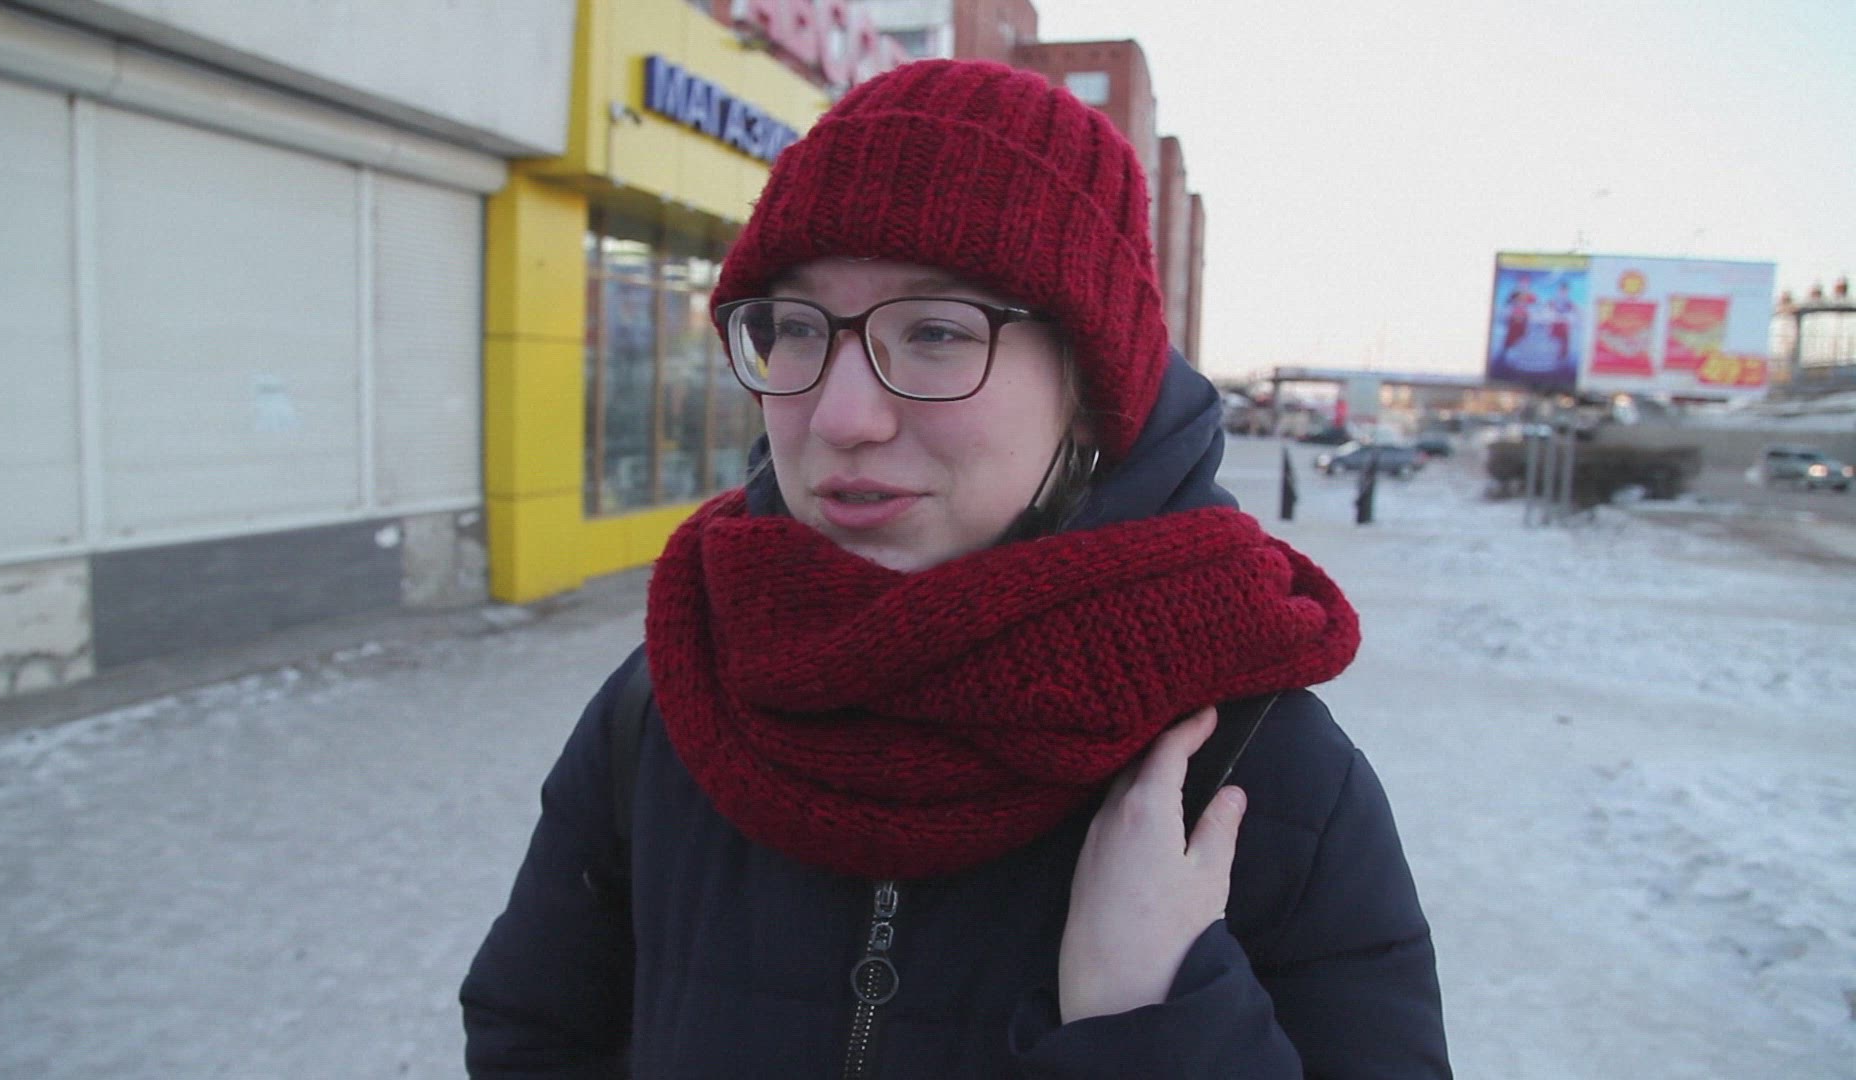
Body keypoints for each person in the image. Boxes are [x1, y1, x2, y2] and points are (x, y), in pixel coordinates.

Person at [461, 59, 1448, 1078]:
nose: (841, 416)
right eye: (796, 328)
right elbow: (530, 1035)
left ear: (1089, 388)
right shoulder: (672, 698)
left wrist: (1159, 1025)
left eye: (935, 331)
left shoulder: (1261, 774)